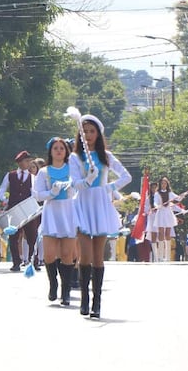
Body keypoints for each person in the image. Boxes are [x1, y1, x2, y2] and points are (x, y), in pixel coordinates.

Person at [69, 114, 131, 318]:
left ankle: (97, 303)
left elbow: (126, 176)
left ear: (98, 134)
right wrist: (88, 179)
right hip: (83, 205)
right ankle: (84, 300)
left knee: (98, 257)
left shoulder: (107, 156)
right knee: (84, 256)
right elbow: (74, 183)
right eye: (84, 131)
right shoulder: (75, 157)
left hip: (101, 206)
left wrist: (108, 187)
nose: (87, 135)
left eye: (91, 131)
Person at [33, 137, 77, 305]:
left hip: (68, 211)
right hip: (51, 212)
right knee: (50, 254)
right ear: (50, 152)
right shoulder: (44, 172)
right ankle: (53, 283)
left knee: (67, 254)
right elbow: (37, 194)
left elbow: (80, 186)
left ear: (66, 152)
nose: (59, 151)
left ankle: (66, 291)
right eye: (55, 148)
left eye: (62, 148)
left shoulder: (72, 169)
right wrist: (51, 193)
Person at [0, 151, 38, 272]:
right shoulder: (10, 175)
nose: (28, 163)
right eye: (26, 161)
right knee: (13, 236)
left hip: (28, 209)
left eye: (29, 161)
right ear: (20, 162)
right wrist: (4, 199)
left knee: (32, 236)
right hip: (13, 209)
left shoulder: (32, 177)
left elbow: (35, 193)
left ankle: (33, 261)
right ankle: (16, 262)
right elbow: (1, 189)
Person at [153, 176, 188, 262]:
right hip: (161, 213)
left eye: (165, 183)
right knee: (161, 233)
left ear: (167, 184)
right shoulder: (157, 193)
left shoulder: (170, 193)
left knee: (168, 233)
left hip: (168, 213)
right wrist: (156, 206)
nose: (163, 185)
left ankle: (167, 256)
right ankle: (160, 256)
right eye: (162, 183)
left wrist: (183, 195)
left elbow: (177, 199)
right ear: (160, 184)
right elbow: (155, 202)